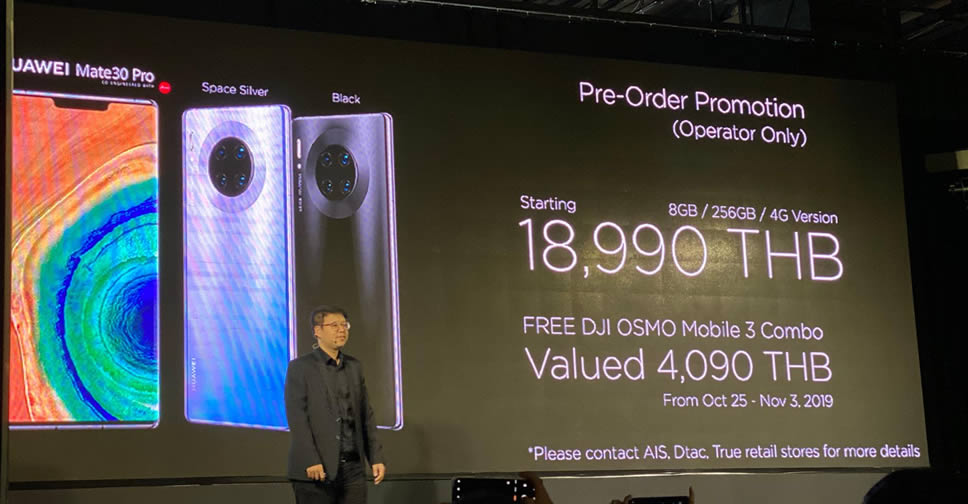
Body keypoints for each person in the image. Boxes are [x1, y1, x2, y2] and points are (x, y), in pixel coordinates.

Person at [285, 305, 387, 504]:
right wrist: (310, 459)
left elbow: (366, 415)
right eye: (334, 325)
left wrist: (376, 457)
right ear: (317, 331)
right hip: (317, 468)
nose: (341, 330)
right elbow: (297, 417)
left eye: (344, 325)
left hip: (352, 468)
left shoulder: (354, 366)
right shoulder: (300, 367)